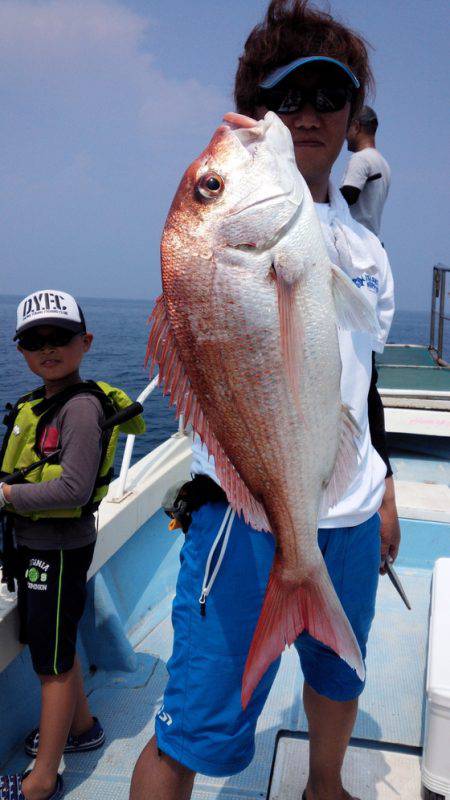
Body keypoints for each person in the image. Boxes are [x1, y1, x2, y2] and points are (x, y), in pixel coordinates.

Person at [130, 2, 400, 799]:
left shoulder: (365, 244)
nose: (309, 112)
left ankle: (324, 784)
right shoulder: (240, 235)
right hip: (248, 515)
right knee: (191, 725)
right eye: (288, 98)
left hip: (348, 516)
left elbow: (359, 374)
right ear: (259, 114)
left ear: (354, 113)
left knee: (339, 674)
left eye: (329, 95)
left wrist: (382, 482)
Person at [0, 290, 145, 800]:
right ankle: (81, 729)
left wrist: (6, 494)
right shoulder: (43, 403)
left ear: (84, 342)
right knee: (54, 645)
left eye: (58, 337)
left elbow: (73, 489)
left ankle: (42, 779)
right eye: (33, 341)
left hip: (56, 551)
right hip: (40, 546)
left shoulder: (80, 409)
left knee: (52, 664)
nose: (47, 348)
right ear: (20, 350)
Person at [340, 106, 391, 237]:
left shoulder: (361, 158)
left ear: (356, 127)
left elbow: (348, 196)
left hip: (355, 241)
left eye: (347, 128)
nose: (345, 136)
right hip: (372, 241)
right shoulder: (383, 163)